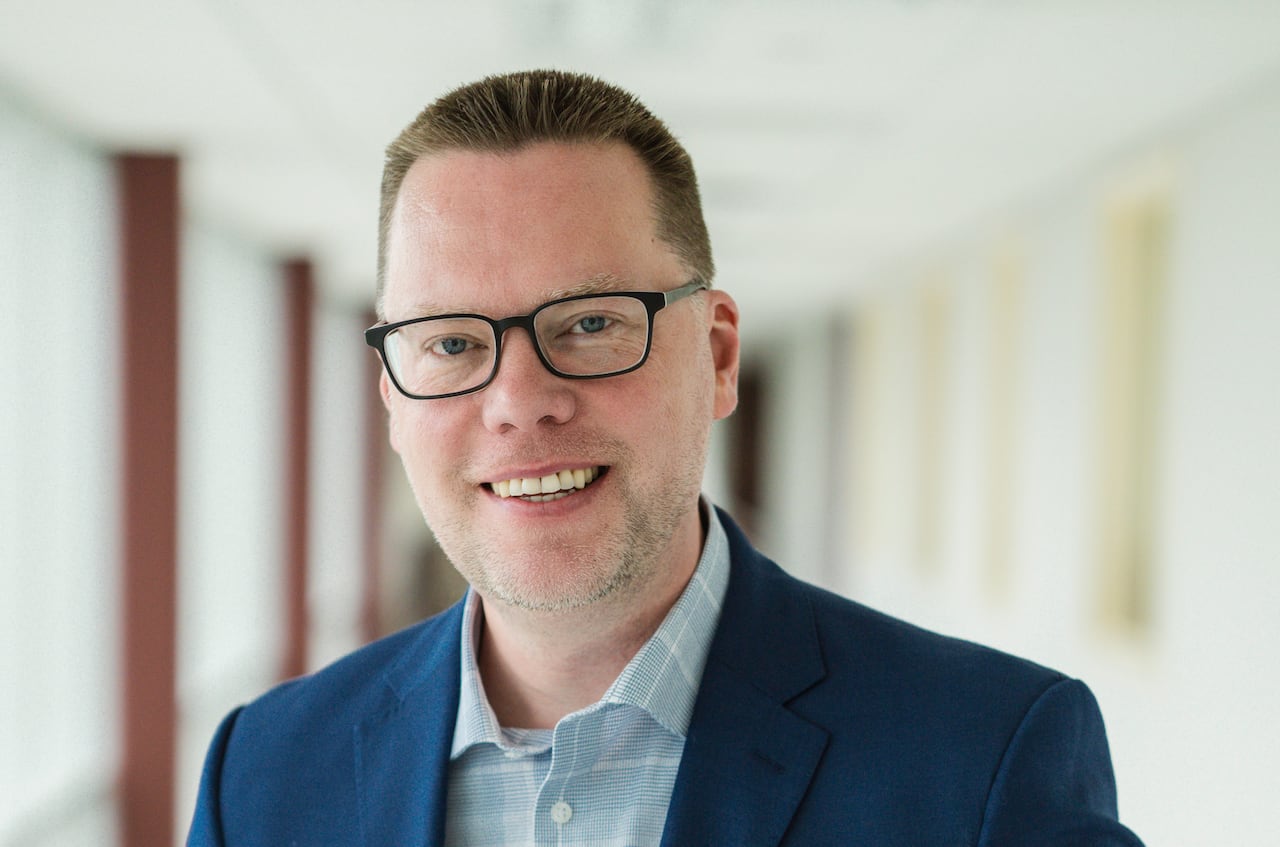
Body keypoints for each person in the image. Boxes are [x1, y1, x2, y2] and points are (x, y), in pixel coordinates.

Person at [188, 69, 1144, 846]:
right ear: (393, 393)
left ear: (718, 356)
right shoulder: (266, 774)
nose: (520, 403)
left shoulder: (981, 759)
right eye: (450, 342)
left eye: (593, 322)